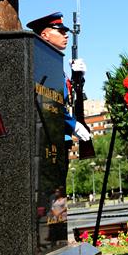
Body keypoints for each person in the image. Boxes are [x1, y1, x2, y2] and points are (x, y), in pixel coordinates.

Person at [25, 11, 91, 167]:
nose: (66, 35)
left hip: (60, 136)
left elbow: (67, 99)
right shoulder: (41, 62)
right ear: (45, 35)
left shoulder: (56, 66)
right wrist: (72, 123)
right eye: (60, 31)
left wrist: (78, 78)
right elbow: (49, 100)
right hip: (46, 135)